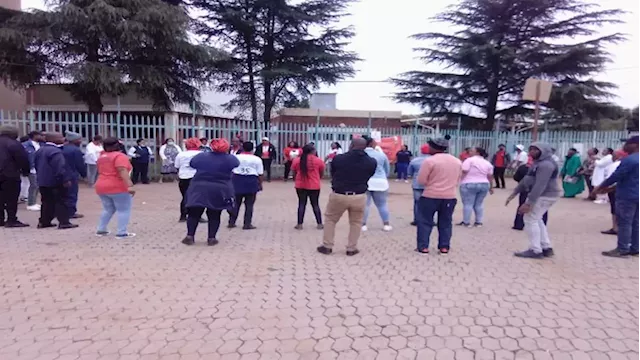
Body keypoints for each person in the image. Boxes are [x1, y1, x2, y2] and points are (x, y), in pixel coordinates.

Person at [317, 138, 377, 256]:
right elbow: (369, 174)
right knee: (356, 222)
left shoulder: (339, 159)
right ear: (365, 147)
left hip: (339, 194)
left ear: (351, 145)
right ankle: (351, 248)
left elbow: (333, 173)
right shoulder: (371, 162)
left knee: (330, 220)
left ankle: (327, 246)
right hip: (359, 195)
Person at [506, 142, 561, 259]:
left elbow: (540, 185)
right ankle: (546, 247)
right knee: (537, 219)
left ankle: (535, 250)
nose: (532, 152)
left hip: (545, 195)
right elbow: (527, 179)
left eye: (535, 150)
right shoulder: (538, 163)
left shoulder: (546, 165)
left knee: (530, 219)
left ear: (543, 151)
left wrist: (529, 202)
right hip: (544, 195)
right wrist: (514, 193)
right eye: (530, 149)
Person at [181, 139, 239, 246]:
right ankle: (211, 238)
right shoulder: (231, 159)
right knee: (215, 213)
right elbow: (236, 165)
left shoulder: (201, 156)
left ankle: (190, 235)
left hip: (199, 187)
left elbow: (192, 164)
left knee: (194, 213)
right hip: (219, 188)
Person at [593, 136, 640, 258]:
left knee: (624, 222)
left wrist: (600, 187)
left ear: (636, 145)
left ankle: (622, 249)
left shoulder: (630, 160)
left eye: (627, 144)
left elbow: (617, 176)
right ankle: (635, 248)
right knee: (636, 222)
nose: (624, 147)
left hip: (627, 196)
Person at [415, 136, 462, 254]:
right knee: (446, 222)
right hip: (449, 196)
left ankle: (423, 246)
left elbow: (421, 180)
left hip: (430, 195)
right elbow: (458, 179)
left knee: (425, 221)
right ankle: (444, 246)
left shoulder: (430, 161)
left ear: (434, 148)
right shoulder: (456, 161)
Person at [34, 132, 77, 230]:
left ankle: (44, 221)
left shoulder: (40, 150)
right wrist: (65, 179)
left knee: (46, 202)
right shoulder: (55, 151)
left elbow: (36, 164)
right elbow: (60, 167)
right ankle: (64, 222)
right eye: (61, 137)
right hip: (55, 181)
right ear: (54, 139)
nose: (63, 139)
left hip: (43, 181)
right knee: (61, 201)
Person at [95, 137, 136, 238]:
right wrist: (129, 185)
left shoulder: (102, 156)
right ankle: (122, 232)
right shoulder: (119, 156)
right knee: (123, 209)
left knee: (108, 208)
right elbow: (122, 170)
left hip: (101, 185)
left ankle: (101, 229)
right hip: (116, 185)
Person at [0, 125, 31, 227]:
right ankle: (11, 220)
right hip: (10, 175)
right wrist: (26, 171)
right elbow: (22, 159)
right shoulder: (14, 144)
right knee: (11, 198)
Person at [228, 141, 263, 230]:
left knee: (236, 203)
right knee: (249, 204)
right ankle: (247, 224)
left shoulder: (235, 157)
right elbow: (260, 173)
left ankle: (231, 222)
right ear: (252, 149)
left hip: (237, 179)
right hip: (251, 180)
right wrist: (260, 184)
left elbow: (231, 170)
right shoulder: (256, 159)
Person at [361, 136, 392, 232]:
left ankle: (363, 225)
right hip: (380, 181)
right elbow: (387, 169)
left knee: (365, 205)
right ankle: (386, 224)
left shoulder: (361, 155)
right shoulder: (381, 155)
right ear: (371, 143)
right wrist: (383, 177)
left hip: (365, 181)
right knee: (382, 204)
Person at [291, 144, 325, 230]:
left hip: (300, 185)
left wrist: (296, 179)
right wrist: (317, 178)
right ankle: (319, 224)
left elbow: (294, 172)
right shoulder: (318, 161)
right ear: (313, 151)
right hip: (314, 185)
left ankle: (299, 224)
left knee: (301, 204)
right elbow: (321, 172)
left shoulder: (297, 160)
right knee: (315, 204)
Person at [458, 147, 494, 227]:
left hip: (469, 183)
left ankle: (466, 222)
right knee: (479, 204)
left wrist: (460, 180)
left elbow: (464, 171)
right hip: (484, 184)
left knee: (468, 203)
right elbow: (490, 176)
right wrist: (491, 187)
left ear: (477, 152)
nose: (469, 152)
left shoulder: (469, 160)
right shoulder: (487, 163)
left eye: (471, 151)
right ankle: (478, 222)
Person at [174, 137, 204, 222]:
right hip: (197, 178)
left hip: (184, 178)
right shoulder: (201, 154)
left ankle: (183, 216)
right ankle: (197, 216)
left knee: (185, 197)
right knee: (199, 198)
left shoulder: (181, 154)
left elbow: (177, 167)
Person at [512, 162, 548, 231]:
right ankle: (542, 225)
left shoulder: (523, 167)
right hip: (540, 190)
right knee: (542, 207)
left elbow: (516, 177)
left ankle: (519, 224)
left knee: (522, 205)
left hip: (526, 189)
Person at [600, 149, 627, 236]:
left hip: (614, 189)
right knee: (615, 208)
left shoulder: (617, 164)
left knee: (615, 208)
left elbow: (612, 178)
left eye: (614, 155)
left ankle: (616, 228)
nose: (612, 156)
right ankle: (616, 227)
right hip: (617, 189)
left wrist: (604, 187)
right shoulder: (620, 164)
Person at [62, 131, 87, 219]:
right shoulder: (76, 150)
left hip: (62, 174)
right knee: (72, 194)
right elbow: (79, 164)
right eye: (79, 139)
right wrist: (84, 175)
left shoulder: (62, 148)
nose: (80, 141)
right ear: (74, 140)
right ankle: (71, 212)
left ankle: (62, 211)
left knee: (63, 194)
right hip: (72, 174)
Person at [407, 144, 431, 226]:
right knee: (431, 203)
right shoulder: (434, 160)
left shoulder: (415, 160)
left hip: (417, 184)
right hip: (430, 185)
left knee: (417, 203)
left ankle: (417, 220)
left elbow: (409, 173)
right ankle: (429, 219)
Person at [22, 130, 44, 210]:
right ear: (34, 136)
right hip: (31, 168)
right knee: (33, 185)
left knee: (37, 186)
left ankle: (34, 202)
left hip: (39, 167)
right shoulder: (26, 145)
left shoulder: (41, 144)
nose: (42, 137)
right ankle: (30, 204)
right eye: (40, 135)